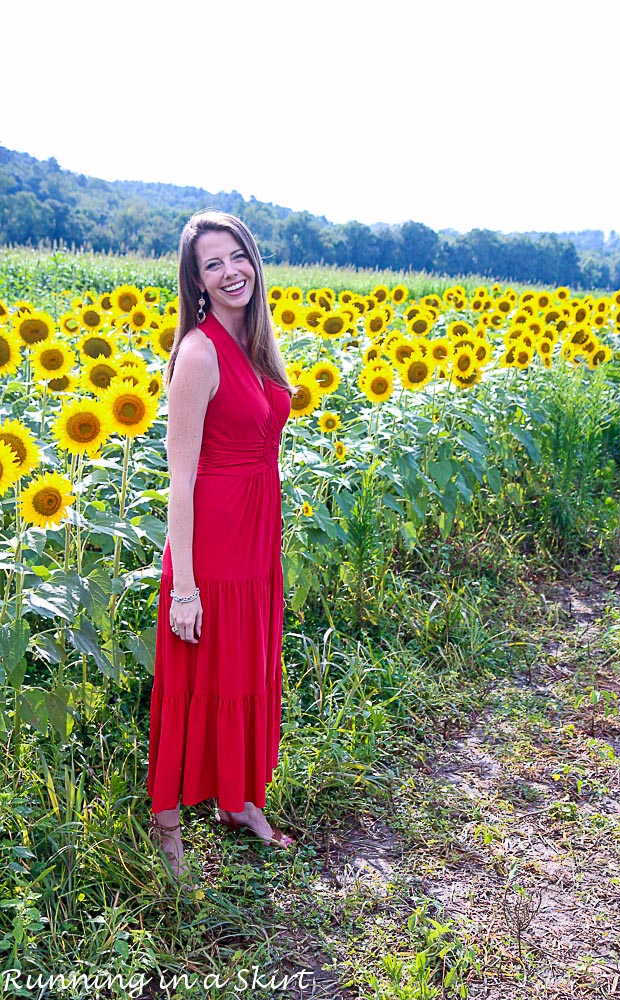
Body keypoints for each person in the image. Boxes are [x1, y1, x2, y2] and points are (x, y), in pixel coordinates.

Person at [146, 210, 296, 878]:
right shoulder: (200, 353)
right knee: (194, 679)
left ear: (253, 260)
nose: (230, 270)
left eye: (237, 256)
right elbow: (179, 480)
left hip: (258, 539)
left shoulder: (258, 344)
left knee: (246, 670)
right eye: (213, 263)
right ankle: (166, 820)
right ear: (197, 282)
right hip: (211, 546)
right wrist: (183, 586)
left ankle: (236, 801)